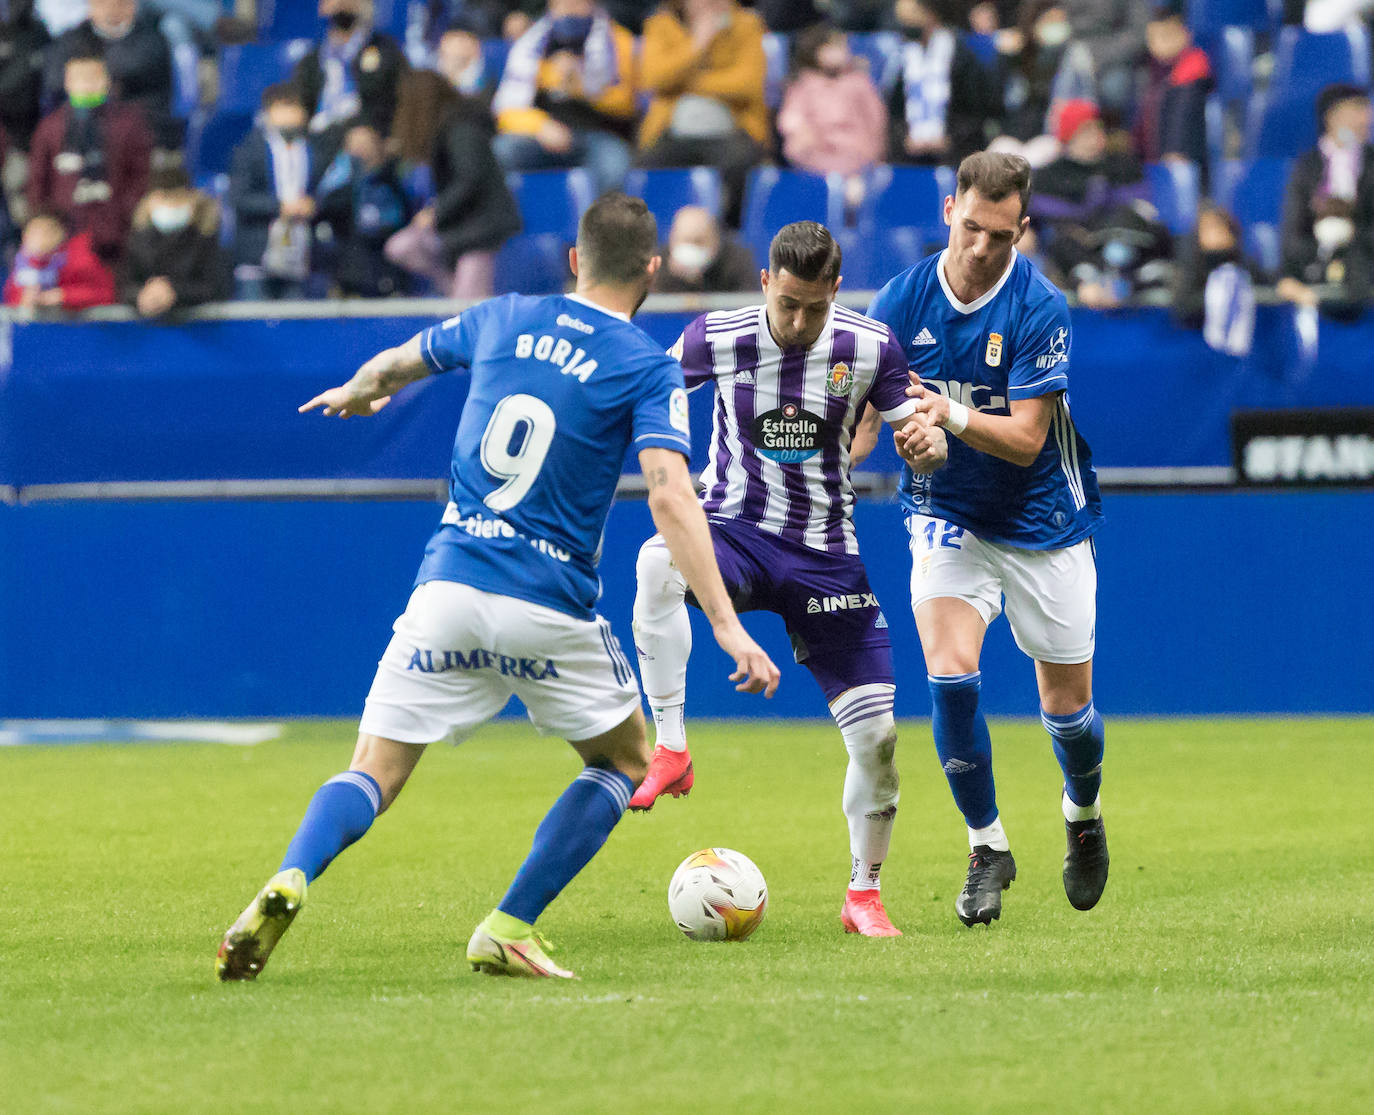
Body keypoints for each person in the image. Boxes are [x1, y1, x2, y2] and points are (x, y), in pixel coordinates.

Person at [215, 192, 780, 983]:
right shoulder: (647, 367)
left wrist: (357, 389)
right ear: (651, 269)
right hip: (547, 603)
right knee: (624, 759)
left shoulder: (504, 314)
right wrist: (724, 620)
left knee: (373, 770)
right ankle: (509, 924)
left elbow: (398, 362)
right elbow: (668, 492)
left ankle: (292, 872)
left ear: (575, 259)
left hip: (447, 584)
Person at [630, 220, 948, 938]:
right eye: (788, 304)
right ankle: (672, 744)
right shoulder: (713, 337)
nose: (800, 322)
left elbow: (918, 440)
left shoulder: (869, 347)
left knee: (879, 739)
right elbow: (638, 391)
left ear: (835, 290)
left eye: (816, 306)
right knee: (655, 560)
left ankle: (863, 893)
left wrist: (928, 446)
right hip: (732, 531)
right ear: (767, 283)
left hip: (825, 553)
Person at [865, 151, 1108, 928]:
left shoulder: (1040, 306)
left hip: (1042, 518)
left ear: (1022, 229)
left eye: (999, 235)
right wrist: (893, 442)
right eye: (971, 227)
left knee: (1067, 711)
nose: (979, 247)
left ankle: (1082, 811)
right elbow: (870, 415)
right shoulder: (900, 300)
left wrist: (947, 416)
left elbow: (1031, 440)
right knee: (949, 666)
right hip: (948, 509)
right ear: (948, 211)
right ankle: (987, 845)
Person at [385, 67, 521, 298]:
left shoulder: (461, 129)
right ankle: (454, 294)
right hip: (456, 230)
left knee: (465, 307)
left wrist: (436, 212)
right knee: (401, 246)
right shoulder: (442, 132)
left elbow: (470, 179)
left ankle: (463, 306)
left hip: (482, 232)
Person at [638, 0, 768, 226]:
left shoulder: (747, 25)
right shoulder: (660, 25)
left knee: (742, 165)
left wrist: (684, 83)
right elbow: (654, 78)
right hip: (671, 131)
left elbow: (747, 84)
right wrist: (698, 43)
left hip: (733, 131)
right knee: (644, 168)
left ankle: (724, 238)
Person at [491, 0, 640, 195]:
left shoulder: (618, 41)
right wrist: (540, 126)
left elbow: (627, 105)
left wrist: (581, 87)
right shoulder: (531, 45)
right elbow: (506, 110)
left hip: (597, 133)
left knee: (614, 165)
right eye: (561, 5)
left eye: (576, 4)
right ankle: (515, 223)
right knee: (501, 151)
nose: (568, 10)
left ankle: (603, 224)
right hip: (544, 135)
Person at [27, 49, 151, 263]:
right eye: (78, 77)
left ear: (107, 80)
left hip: (115, 233)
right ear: (67, 82)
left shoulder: (129, 123)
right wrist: (44, 223)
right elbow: (38, 180)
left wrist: (123, 213)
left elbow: (141, 175)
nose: (86, 84)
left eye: (93, 77)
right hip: (63, 232)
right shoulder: (50, 127)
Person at [1276, 83, 1374, 319]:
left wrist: (1352, 236)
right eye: (1356, 110)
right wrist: (1323, 242)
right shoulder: (1306, 168)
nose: (1365, 119)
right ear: (1331, 116)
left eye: (1366, 110)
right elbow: (1292, 235)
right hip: (1314, 267)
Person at [43, 0, 178, 149]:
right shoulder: (70, 40)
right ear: (90, 6)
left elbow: (145, 83)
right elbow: (54, 82)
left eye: (120, 3)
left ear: (133, 5)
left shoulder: (152, 41)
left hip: (140, 132)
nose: (111, 10)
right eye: (103, 3)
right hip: (79, 130)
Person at [228, 83, 321, 300]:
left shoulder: (313, 150)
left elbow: (326, 191)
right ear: (268, 112)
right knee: (253, 328)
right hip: (257, 254)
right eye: (283, 107)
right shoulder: (249, 149)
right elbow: (239, 197)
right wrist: (280, 207)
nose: (290, 113)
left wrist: (312, 205)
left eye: (294, 107)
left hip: (300, 254)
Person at [887, 0, 1002, 168]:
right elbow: (894, 112)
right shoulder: (903, 57)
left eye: (911, 16)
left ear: (931, 15)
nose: (906, 23)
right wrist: (905, 139)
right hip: (909, 155)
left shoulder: (962, 56)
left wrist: (950, 138)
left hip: (956, 154)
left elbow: (977, 110)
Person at [291, 0, 409, 157]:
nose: (339, 4)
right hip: (318, 134)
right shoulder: (312, 59)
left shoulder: (385, 51)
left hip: (364, 134)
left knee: (359, 141)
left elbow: (396, 101)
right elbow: (301, 100)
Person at [314, 121, 413, 297]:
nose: (361, 151)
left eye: (367, 144)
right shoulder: (337, 182)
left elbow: (398, 218)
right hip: (348, 274)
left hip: (389, 273)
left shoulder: (393, 180)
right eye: (355, 145)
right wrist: (352, 177)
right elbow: (323, 209)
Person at [776, 23, 887, 180]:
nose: (839, 52)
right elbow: (791, 117)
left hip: (854, 156)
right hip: (812, 157)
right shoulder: (802, 85)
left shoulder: (860, 83)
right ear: (814, 51)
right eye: (831, 47)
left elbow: (875, 120)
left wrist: (872, 153)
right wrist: (802, 132)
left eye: (841, 47)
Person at [121, 164, 230, 314]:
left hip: (197, 332)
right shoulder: (138, 239)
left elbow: (215, 286)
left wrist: (174, 293)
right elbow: (124, 286)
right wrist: (141, 295)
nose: (170, 205)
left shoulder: (205, 237)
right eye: (164, 198)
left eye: (177, 198)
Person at [1132, 3, 1211, 181]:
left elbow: (1183, 115)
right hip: (1149, 160)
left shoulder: (1192, 70)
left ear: (1186, 34)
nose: (1160, 45)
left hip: (1179, 160)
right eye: (1153, 38)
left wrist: (1175, 150)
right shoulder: (1147, 71)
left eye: (1167, 36)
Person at [3, 207, 115, 307]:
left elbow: (106, 294)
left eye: (47, 232)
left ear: (61, 234)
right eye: (33, 232)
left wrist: (64, 295)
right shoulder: (23, 265)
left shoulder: (80, 259)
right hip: (40, 329)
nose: (40, 239)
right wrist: (25, 300)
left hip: (78, 328)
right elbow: (11, 301)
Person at [650, 203, 755, 292]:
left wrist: (702, 280)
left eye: (698, 241)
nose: (691, 247)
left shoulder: (738, 259)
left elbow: (747, 305)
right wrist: (674, 277)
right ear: (672, 239)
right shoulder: (658, 264)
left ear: (715, 239)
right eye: (685, 240)